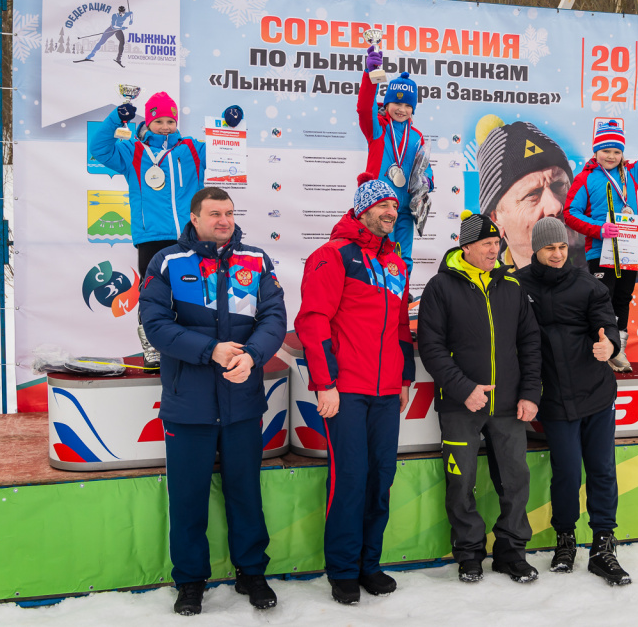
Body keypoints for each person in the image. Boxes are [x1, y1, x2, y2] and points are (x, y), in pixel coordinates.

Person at [139, 187, 286, 616]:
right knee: (188, 498)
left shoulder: (255, 259)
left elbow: (274, 316)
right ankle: (189, 581)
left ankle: (252, 573)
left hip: (242, 400)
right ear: (194, 218)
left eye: (229, 213)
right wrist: (211, 350)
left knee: (245, 494)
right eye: (214, 213)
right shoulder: (167, 261)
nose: (224, 220)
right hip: (189, 405)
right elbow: (155, 323)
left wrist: (253, 356)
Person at [294, 179, 415, 605]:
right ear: (362, 209)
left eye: (393, 205)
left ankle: (369, 563)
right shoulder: (333, 256)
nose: (389, 210)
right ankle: (343, 569)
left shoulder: (396, 263)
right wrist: (325, 383)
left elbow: (401, 325)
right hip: (344, 391)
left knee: (381, 478)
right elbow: (313, 322)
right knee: (350, 478)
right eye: (381, 203)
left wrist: (403, 379)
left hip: (385, 391)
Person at [417, 211, 541, 584]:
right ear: (466, 247)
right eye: (487, 244)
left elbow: (530, 343)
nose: (495, 250)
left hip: (508, 405)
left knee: (516, 479)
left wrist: (531, 392)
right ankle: (469, 554)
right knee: (462, 481)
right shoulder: (440, 287)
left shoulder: (512, 286)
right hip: (460, 406)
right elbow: (431, 346)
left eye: (497, 243)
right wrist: (463, 388)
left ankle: (511, 552)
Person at [514, 217, 631, 586]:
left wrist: (609, 345)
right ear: (536, 249)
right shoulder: (518, 286)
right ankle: (565, 539)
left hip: (594, 393)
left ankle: (603, 543)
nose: (557, 253)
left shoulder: (585, 283)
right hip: (553, 398)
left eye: (562, 247)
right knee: (566, 472)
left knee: (601, 469)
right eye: (550, 247)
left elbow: (606, 323)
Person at [91, 93, 242, 370]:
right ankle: (153, 346)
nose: (165, 126)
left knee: (193, 291)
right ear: (148, 122)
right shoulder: (132, 151)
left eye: (170, 121)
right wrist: (116, 118)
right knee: (153, 294)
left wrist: (230, 127)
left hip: (191, 235)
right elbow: (99, 149)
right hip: (152, 237)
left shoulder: (192, 149)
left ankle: (194, 343)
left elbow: (224, 150)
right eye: (158, 120)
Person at [563, 114, 638, 372]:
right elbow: (570, 213)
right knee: (600, 300)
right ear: (596, 152)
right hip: (600, 250)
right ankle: (599, 348)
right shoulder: (585, 178)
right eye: (606, 150)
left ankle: (618, 350)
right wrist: (599, 229)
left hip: (628, 251)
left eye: (616, 151)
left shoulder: (631, 173)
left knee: (622, 299)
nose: (611, 156)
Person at [356, 47, 433, 273]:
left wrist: (427, 181)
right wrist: (370, 75)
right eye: (397, 103)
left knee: (403, 258)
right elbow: (363, 108)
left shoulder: (417, 137)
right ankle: (373, 295)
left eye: (408, 105)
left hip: (406, 209)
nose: (402, 109)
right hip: (378, 207)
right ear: (387, 103)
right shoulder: (378, 129)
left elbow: (423, 168)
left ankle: (400, 298)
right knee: (373, 253)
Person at [475, 121, 573, 269]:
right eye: (532, 194)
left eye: (559, 185)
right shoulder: (482, 288)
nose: (555, 206)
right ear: (496, 219)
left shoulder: (601, 273)